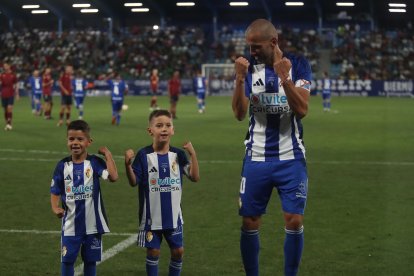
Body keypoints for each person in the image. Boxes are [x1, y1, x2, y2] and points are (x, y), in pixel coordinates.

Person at [232, 19, 312, 276]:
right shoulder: (249, 69)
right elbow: (239, 114)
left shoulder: (299, 65)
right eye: (249, 46)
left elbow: (302, 110)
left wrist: (284, 78)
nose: (252, 52)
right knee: (250, 221)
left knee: (294, 220)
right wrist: (239, 79)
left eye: (256, 47)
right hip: (256, 157)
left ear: (273, 42)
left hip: (291, 156)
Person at [124, 109, 200, 276]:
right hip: (151, 217)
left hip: (174, 216)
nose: (164, 129)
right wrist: (128, 165)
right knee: (153, 252)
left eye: (168, 125)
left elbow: (195, 177)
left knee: (178, 251)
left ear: (173, 130)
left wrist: (192, 153)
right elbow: (133, 181)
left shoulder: (179, 155)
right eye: (159, 125)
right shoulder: (144, 155)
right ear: (150, 130)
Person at [50, 120, 118, 276]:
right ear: (67, 141)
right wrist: (55, 208)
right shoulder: (62, 165)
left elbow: (113, 177)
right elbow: (55, 190)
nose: (75, 143)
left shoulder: (94, 163)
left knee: (90, 260)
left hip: (93, 224)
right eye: (71, 139)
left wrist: (108, 155)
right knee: (67, 260)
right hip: (70, 224)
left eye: (80, 139)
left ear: (89, 142)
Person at [0, 63, 19, 131]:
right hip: (3, 94)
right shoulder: (2, 75)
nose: (5, 67)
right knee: (5, 110)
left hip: (11, 94)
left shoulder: (13, 75)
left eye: (6, 66)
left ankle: (9, 124)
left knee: (9, 108)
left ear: (9, 66)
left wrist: (17, 94)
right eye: (4, 66)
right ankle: (7, 123)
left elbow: (16, 84)